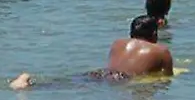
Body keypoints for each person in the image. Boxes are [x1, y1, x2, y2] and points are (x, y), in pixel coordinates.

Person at [10, 15, 174, 89]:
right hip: (121, 79)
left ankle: (29, 83)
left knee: (69, 83)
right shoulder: (162, 51)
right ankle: (29, 86)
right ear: (154, 35)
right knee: (76, 89)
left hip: (102, 73)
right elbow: (166, 78)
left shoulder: (118, 43)